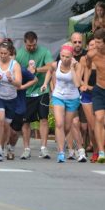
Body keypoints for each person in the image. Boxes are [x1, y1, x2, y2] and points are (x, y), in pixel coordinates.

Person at [42, 43, 84, 163]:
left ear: (72, 56)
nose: (65, 59)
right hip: (58, 96)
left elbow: (77, 84)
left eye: (67, 57)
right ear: (60, 55)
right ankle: (61, 152)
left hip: (72, 98)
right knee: (59, 124)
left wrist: (72, 68)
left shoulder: (77, 66)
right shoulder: (56, 64)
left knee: (67, 126)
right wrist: (45, 83)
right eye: (63, 56)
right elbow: (49, 71)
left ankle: (68, 145)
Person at [16, 31, 54, 159]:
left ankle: (43, 148)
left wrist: (37, 70)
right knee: (25, 121)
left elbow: (50, 66)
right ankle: (26, 148)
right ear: (24, 43)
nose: (31, 48)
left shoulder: (44, 52)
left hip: (42, 90)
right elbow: (14, 69)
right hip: (26, 91)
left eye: (33, 45)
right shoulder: (20, 54)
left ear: (36, 42)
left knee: (43, 119)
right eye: (29, 46)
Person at [0, 41, 22, 161]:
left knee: (6, 125)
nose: (2, 55)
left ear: (10, 53)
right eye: (1, 53)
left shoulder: (15, 65)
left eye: (5, 53)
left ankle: (3, 145)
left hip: (11, 98)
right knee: (0, 119)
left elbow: (19, 83)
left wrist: (11, 79)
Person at [85, 29, 105, 162]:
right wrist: (85, 82)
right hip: (99, 89)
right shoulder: (92, 54)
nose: (96, 45)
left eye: (99, 42)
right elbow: (86, 66)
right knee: (99, 117)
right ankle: (101, 151)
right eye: (95, 42)